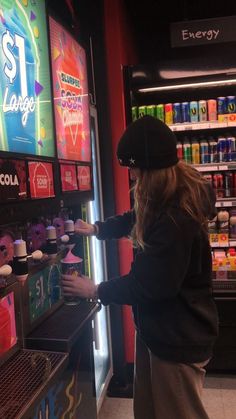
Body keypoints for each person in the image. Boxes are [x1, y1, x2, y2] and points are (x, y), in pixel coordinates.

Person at [62, 115, 219, 419]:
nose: (132, 175)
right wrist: (96, 229)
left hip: (177, 339)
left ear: (151, 169)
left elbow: (148, 285)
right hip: (156, 331)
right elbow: (134, 217)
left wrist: (95, 289)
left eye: (133, 167)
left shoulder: (176, 218)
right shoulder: (163, 196)